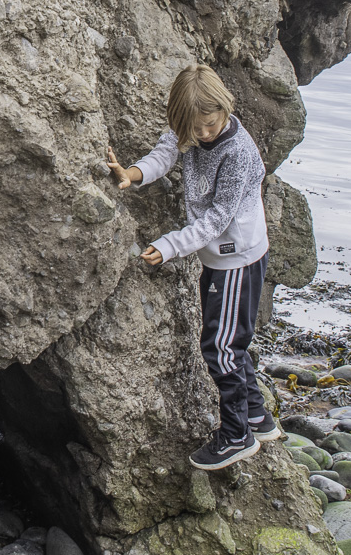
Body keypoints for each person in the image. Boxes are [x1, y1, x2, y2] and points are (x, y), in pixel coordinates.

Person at [105, 63, 281, 470]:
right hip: (219, 258)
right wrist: (132, 174)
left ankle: (237, 434)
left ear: (224, 108)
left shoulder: (238, 152)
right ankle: (258, 416)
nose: (202, 134)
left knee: (219, 348)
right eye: (194, 128)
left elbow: (217, 220)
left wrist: (168, 246)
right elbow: (166, 153)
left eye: (210, 124)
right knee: (227, 339)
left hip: (238, 258)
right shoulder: (188, 129)